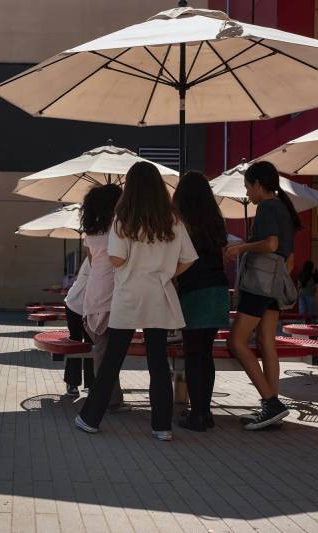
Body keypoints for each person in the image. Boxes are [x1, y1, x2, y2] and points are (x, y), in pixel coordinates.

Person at [75, 162, 197, 441]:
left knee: (112, 360)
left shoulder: (123, 219)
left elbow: (116, 259)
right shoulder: (173, 221)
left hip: (129, 295)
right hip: (159, 294)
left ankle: (90, 418)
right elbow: (188, 259)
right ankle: (162, 426)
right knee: (158, 361)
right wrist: (165, 272)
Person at [225, 160, 302, 430]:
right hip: (274, 284)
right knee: (267, 342)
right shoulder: (284, 209)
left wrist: (241, 248)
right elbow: (288, 258)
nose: (247, 193)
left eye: (248, 187)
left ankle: (270, 402)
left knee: (236, 341)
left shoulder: (268, 207)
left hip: (258, 283)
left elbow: (271, 244)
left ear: (258, 184)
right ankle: (272, 407)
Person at [172, 171, 230, 432]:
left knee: (192, 355)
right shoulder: (216, 222)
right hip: (218, 291)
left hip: (194, 292)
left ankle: (197, 416)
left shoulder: (180, 223)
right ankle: (204, 413)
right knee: (205, 354)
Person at [80, 184, 127, 413]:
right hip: (112, 293)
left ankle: (112, 397)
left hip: (94, 293)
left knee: (103, 349)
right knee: (105, 351)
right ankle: (105, 399)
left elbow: (91, 262)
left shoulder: (90, 234)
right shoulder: (120, 230)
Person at [62, 259, 95, 396]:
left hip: (89, 308)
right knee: (76, 342)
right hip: (75, 306)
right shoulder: (94, 259)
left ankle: (91, 383)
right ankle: (72, 382)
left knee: (91, 345)